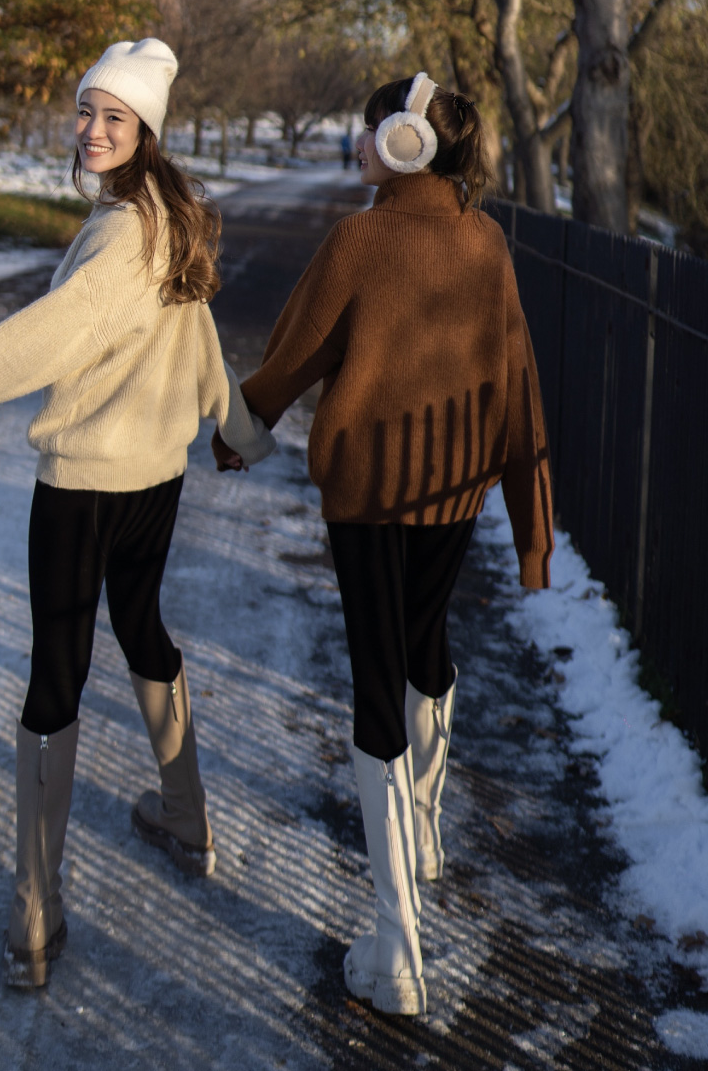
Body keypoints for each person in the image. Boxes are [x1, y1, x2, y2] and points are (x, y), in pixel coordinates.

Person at [0, 38, 274, 989]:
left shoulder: (119, 240)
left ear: (145, 130)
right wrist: (242, 430)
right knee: (142, 630)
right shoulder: (164, 218)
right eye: (85, 110)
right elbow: (202, 346)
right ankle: (187, 817)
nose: (90, 129)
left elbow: (16, 350)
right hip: (154, 483)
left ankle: (34, 915)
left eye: (112, 117)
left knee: (57, 674)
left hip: (82, 490)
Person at [213, 72, 553, 1016]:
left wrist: (239, 430)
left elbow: (294, 355)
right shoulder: (486, 242)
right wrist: (533, 533)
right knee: (425, 649)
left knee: (376, 683)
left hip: (366, 497)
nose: (359, 145)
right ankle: (426, 833)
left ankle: (397, 951)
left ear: (407, 142)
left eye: (371, 132)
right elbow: (519, 384)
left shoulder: (358, 240)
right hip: (453, 496)